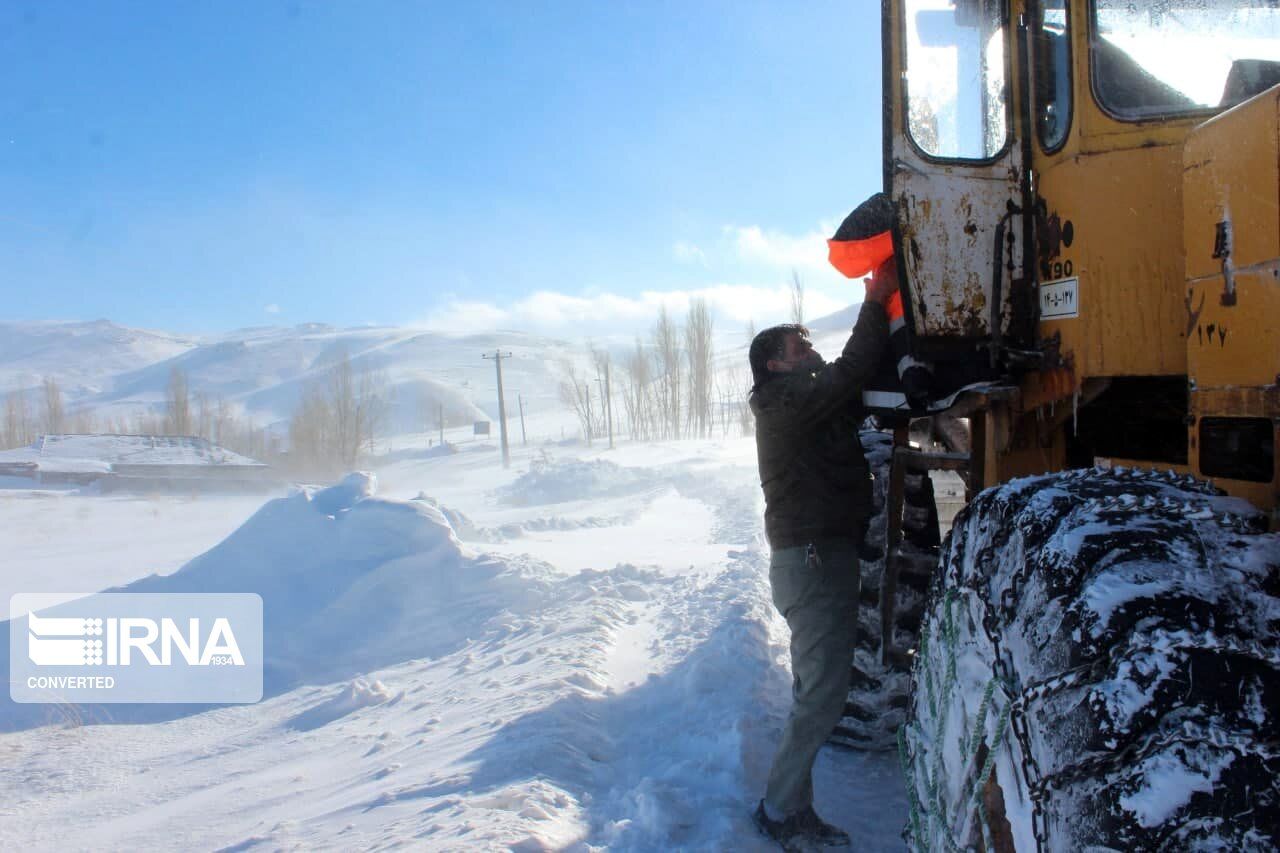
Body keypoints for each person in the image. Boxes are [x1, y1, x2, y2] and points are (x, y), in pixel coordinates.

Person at [748, 256, 897, 849]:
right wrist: (875, 297)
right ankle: (780, 812)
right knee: (822, 694)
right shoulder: (783, 403)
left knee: (821, 689)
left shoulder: (800, 401)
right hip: (810, 562)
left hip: (817, 558)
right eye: (800, 347)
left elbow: (849, 381)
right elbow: (850, 370)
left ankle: (792, 806)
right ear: (775, 364)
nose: (812, 353)